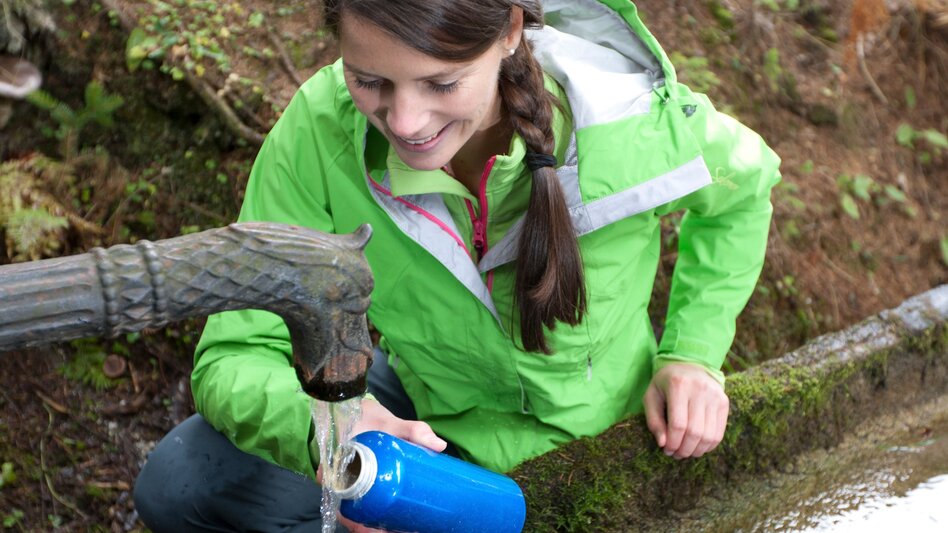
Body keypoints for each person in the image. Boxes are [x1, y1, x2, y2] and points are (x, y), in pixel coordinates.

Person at [134, 0, 781, 531]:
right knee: (181, 482)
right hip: (429, 417)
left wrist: (692, 355)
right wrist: (332, 427)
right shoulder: (321, 129)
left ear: (510, 31)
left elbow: (743, 192)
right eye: (369, 81)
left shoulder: (625, 123)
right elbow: (237, 350)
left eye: (442, 83)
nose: (406, 121)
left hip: (597, 439)